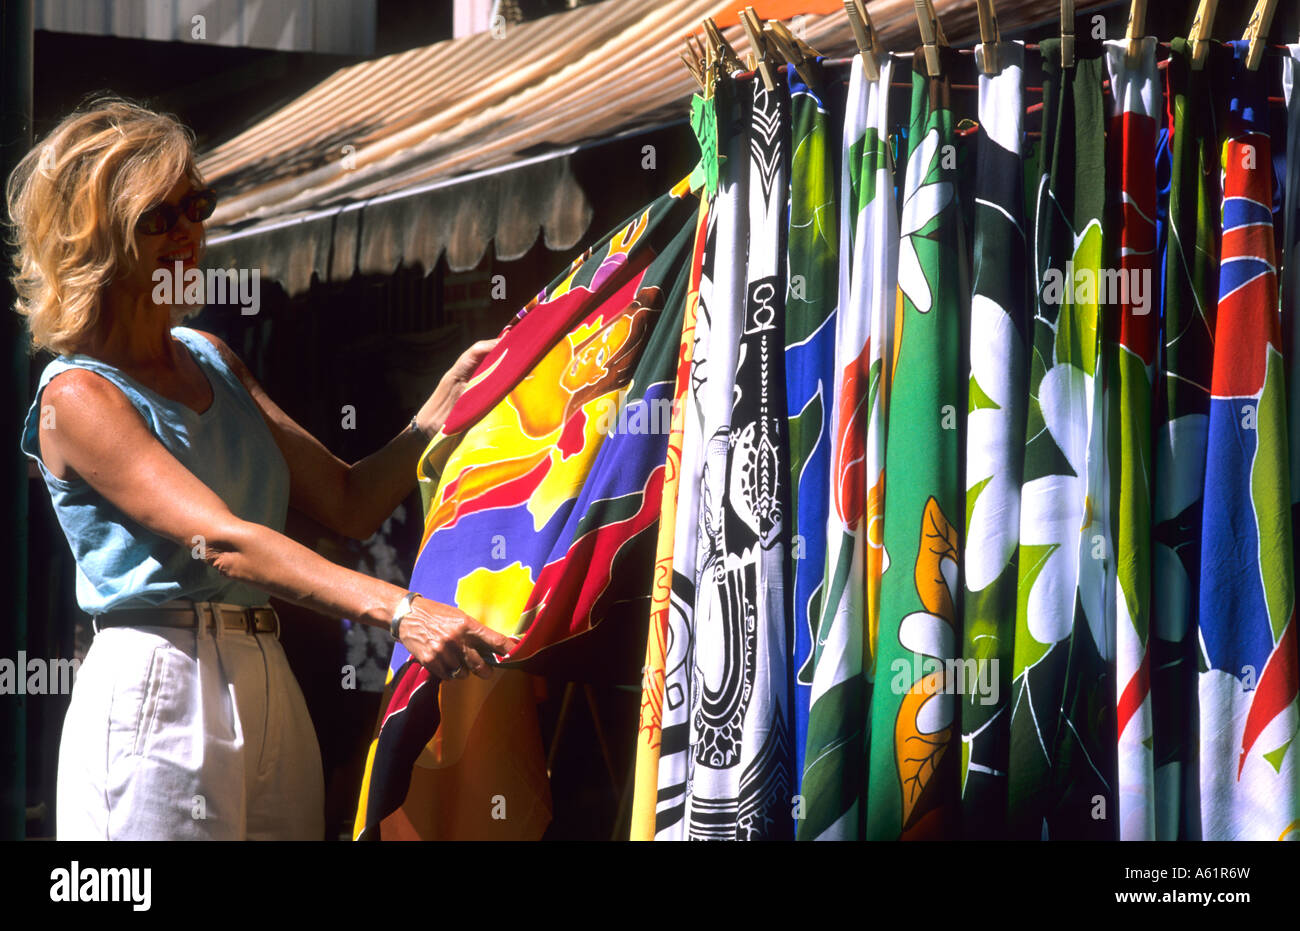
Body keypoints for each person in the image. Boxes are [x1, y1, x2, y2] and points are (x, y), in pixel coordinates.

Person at [7, 96, 513, 840]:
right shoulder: (78, 393)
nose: (189, 231)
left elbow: (346, 499)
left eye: (196, 202)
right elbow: (224, 538)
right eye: (159, 215)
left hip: (266, 670)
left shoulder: (214, 357)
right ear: (96, 237)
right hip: (156, 683)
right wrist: (399, 608)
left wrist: (430, 420)